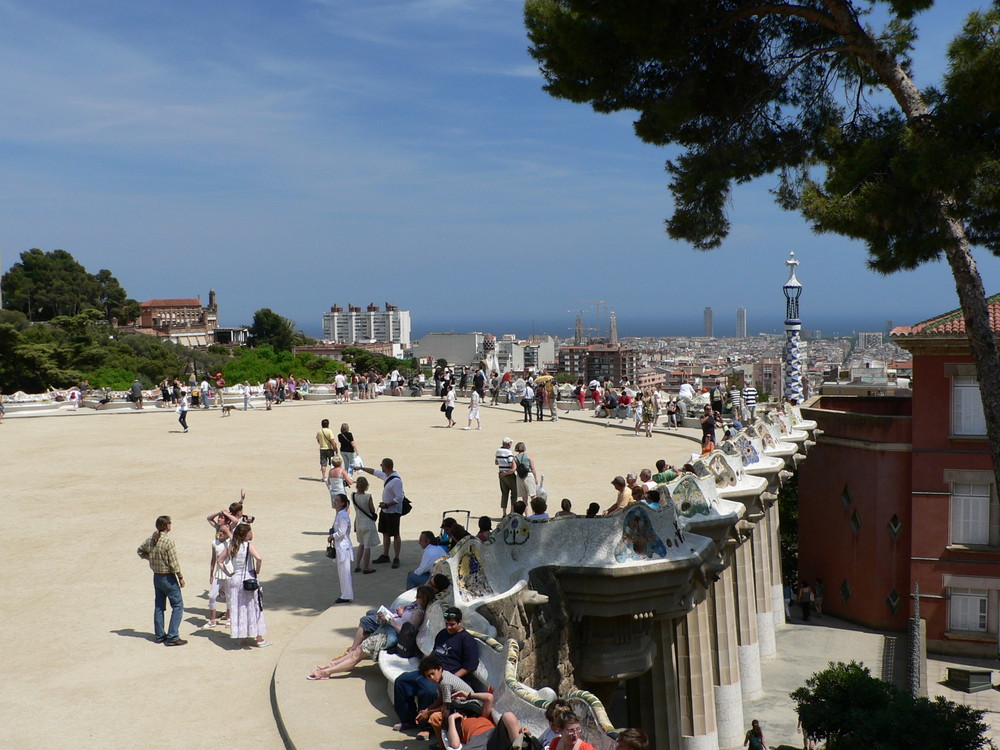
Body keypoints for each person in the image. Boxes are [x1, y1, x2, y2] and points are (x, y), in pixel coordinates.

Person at [308, 585, 434, 679]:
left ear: (423, 599)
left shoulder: (418, 614)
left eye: (418, 597)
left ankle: (327, 672)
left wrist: (392, 622)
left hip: (389, 636)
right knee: (358, 651)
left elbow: (407, 633)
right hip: (388, 630)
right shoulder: (416, 608)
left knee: (357, 655)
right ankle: (331, 665)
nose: (416, 598)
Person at [392, 605, 479, 732]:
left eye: (452, 624)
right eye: (447, 624)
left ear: (460, 622)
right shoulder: (442, 634)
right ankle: (408, 720)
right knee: (402, 681)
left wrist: (452, 679)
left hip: (444, 676)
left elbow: (469, 666)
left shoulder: (466, 640)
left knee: (429, 690)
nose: (449, 627)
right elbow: (434, 654)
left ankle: (426, 726)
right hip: (430, 670)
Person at [217, 522, 272, 647]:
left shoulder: (231, 546)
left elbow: (220, 560)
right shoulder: (247, 546)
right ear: (245, 534)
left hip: (235, 579)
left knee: (238, 607)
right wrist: (257, 570)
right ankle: (259, 638)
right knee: (255, 607)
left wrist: (228, 572)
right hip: (248, 578)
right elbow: (259, 558)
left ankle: (241, 636)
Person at [136, 515, 187, 646]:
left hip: (157, 577)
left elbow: (140, 551)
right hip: (168, 577)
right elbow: (174, 563)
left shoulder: (152, 539)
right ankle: (173, 636)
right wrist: (180, 577)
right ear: (166, 526)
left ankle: (159, 635)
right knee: (178, 606)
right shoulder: (168, 541)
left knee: (159, 606)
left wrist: (151, 559)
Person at [360, 458, 405, 568]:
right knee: (385, 533)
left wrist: (387, 505)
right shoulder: (387, 476)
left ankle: (396, 557)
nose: (381, 467)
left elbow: (400, 497)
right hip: (386, 510)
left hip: (393, 511)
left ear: (385, 466)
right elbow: (374, 472)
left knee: (395, 534)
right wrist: (361, 468)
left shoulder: (396, 481)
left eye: (382, 465)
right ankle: (385, 555)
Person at [445, 689, 526, 750]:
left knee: (509, 716)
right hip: (477, 742)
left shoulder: (483, 716)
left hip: (493, 735)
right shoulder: (459, 726)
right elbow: (455, 745)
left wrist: (468, 695)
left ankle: (519, 745)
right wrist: (451, 718)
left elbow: (489, 697)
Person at [330, 494, 354, 603]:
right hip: (341, 546)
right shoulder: (340, 514)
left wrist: (332, 536)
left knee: (345, 572)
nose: (335, 502)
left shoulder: (342, 515)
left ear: (343, 503)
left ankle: (346, 595)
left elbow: (341, 532)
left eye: (337, 500)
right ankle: (345, 594)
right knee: (342, 572)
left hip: (343, 547)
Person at [352, 476, 379, 574]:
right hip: (368, 522)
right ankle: (366, 567)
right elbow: (372, 509)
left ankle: (357, 565)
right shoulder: (368, 497)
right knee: (367, 546)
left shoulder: (353, 496)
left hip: (358, 522)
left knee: (361, 544)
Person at [495, 437, 517, 515]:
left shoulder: (498, 451)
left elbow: (496, 462)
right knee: (514, 493)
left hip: (501, 474)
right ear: (508, 444)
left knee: (504, 493)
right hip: (509, 474)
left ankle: (504, 513)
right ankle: (512, 511)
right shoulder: (509, 452)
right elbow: (511, 464)